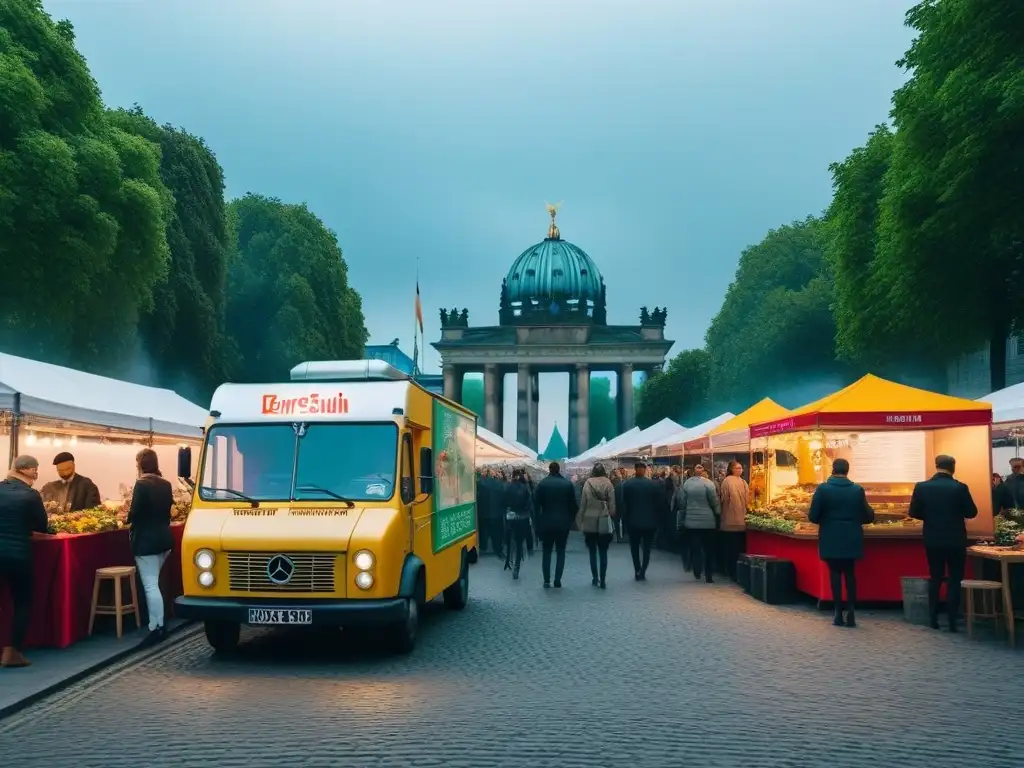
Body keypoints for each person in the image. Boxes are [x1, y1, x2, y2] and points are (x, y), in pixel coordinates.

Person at [909, 454, 978, 632]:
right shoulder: (960, 488)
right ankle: (953, 620)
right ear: (953, 467)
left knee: (935, 576)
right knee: (955, 578)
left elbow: (913, 512)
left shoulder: (922, 487)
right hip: (955, 539)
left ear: (936, 466)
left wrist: (931, 517)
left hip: (933, 538)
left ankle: (933, 618)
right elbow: (971, 512)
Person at [808, 458, 875, 627]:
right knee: (850, 573)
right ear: (847, 470)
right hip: (852, 535)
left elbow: (813, 516)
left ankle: (837, 612)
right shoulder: (857, 490)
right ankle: (851, 610)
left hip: (830, 535)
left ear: (833, 469)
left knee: (835, 573)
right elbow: (868, 515)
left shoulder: (823, 489)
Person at [0, 455, 49, 667]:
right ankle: (13, 652)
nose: (37, 473)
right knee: (22, 601)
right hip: (18, 553)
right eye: (35, 469)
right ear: (25, 470)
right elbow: (42, 526)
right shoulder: (31, 495)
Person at [128, 449, 175, 646]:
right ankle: (160, 622)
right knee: (155, 583)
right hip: (164, 538)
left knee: (150, 584)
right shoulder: (166, 484)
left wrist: (127, 517)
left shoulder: (141, 484)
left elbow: (135, 513)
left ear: (140, 464)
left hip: (146, 540)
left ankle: (156, 626)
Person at [533, 461, 577, 588]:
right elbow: (573, 505)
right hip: (563, 523)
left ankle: (546, 580)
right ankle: (558, 580)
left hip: (546, 521)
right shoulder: (567, 484)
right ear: (559, 470)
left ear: (549, 469)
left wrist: (537, 523)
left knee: (546, 551)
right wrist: (570, 520)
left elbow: (536, 505)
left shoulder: (542, 484)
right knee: (561, 551)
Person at [674, 464, 720, 583]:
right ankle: (709, 575)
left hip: (692, 523)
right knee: (709, 549)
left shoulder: (687, 483)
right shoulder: (709, 484)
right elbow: (714, 501)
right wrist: (717, 512)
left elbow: (682, 503)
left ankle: (697, 571)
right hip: (708, 522)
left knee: (696, 548)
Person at [576, 463, 616, 588]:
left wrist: (579, 520)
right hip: (603, 519)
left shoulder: (588, 483)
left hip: (589, 520)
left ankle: (595, 578)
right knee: (603, 551)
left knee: (592, 551)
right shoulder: (608, 483)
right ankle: (603, 579)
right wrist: (610, 514)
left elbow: (583, 504)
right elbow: (612, 505)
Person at [620, 462, 660, 580]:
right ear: (645, 470)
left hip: (633, 521)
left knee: (634, 548)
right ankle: (643, 570)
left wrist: (625, 518)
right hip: (649, 521)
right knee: (647, 548)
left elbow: (624, 503)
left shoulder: (627, 484)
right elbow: (657, 504)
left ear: (635, 469)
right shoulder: (652, 485)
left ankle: (637, 569)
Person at [718, 461, 749, 581]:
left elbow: (723, 499)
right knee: (735, 547)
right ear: (731, 469)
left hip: (734, 520)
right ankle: (733, 571)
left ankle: (732, 571)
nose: (740, 470)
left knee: (733, 548)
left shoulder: (741, 481)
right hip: (735, 519)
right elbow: (725, 499)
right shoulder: (733, 481)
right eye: (737, 468)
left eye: (741, 468)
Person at [502, 469, 534, 580]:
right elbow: (529, 504)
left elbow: (503, 501)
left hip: (510, 516)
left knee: (510, 539)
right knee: (520, 543)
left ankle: (509, 559)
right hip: (522, 517)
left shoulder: (508, 487)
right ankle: (517, 567)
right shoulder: (525, 488)